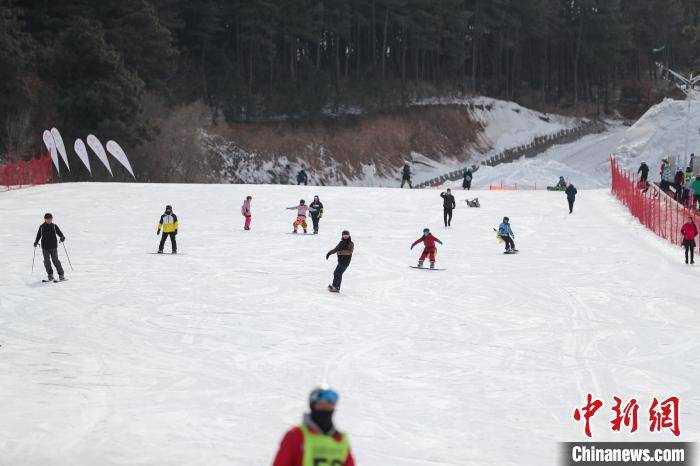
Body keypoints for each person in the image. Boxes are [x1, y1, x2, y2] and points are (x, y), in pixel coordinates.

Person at [272, 387, 355, 466]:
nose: (325, 408)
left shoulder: (340, 440)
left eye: (330, 403)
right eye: (321, 403)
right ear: (312, 405)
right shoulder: (296, 435)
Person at [34, 213, 66, 282]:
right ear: (45, 219)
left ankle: (61, 275)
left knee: (55, 260)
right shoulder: (42, 227)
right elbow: (38, 235)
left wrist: (62, 237)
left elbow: (59, 233)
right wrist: (36, 242)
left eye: (50, 219)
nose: (49, 220)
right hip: (45, 247)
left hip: (53, 247)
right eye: (47, 219)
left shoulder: (54, 226)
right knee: (47, 262)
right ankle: (50, 275)